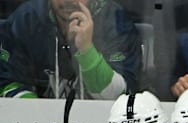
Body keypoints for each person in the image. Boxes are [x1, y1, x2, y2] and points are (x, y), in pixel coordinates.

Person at [0, 0, 140, 99]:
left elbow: (122, 96)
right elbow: (8, 83)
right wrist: (37, 115)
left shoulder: (115, 21)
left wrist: (87, 51)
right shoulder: (25, 21)